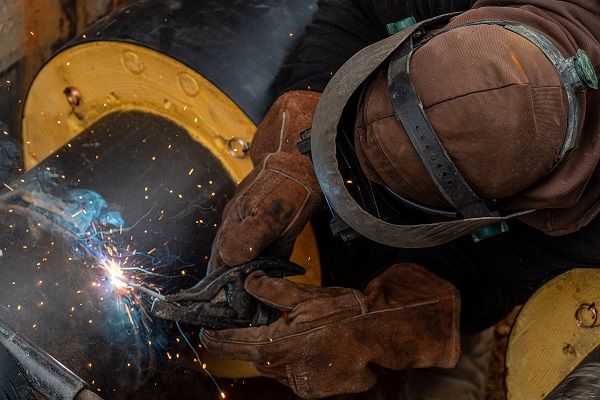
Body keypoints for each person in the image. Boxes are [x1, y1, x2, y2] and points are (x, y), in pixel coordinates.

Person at [180, 0, 600, 398]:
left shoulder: (586, 235)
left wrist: (388, 322)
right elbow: (355, 10)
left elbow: (497, 271)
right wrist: (303, 140)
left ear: (497, 212)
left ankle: (460, 357)